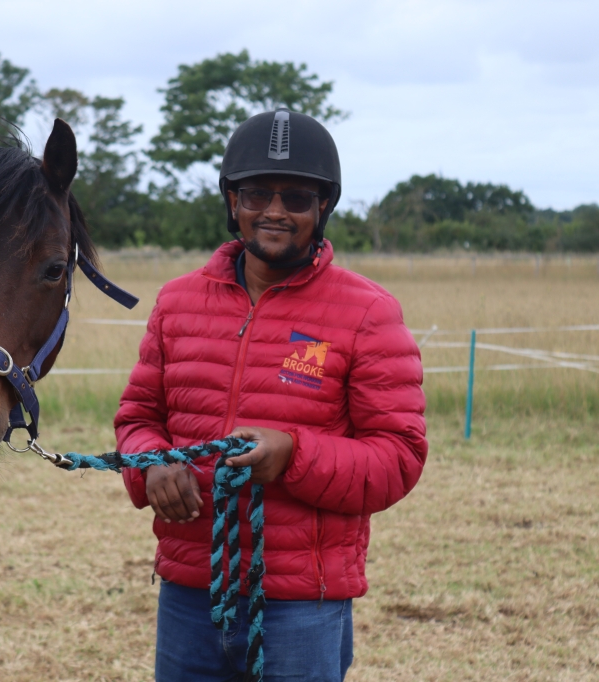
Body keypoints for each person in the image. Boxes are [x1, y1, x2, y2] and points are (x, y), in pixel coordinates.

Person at [114, 108, 428, 682]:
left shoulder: (368, 313)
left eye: (297, 198)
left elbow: (399, 457)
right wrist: (150, 464)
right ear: (232, 201)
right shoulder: (178, 302)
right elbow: (138, 417)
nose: (275, 211)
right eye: (257, 193)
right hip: (190, 590)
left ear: (323, 207)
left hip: (302, 604)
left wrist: (293, 455)